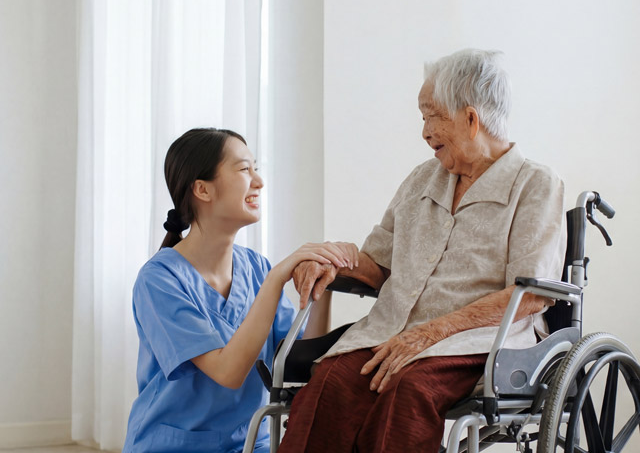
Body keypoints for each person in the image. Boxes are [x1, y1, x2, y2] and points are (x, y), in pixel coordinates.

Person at [278, 49, 566, 453]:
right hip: (392, 332)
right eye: (423, 117)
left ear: (470, 118)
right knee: (329, 382)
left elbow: (532, 294)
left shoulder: (535, 184)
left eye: (432, 116)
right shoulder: (421, 180)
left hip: (478, 341)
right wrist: (332, 258)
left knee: (408, 391)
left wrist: (431, 332)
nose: (425, 131)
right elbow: (377, 265)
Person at [123, 128, 356, 453]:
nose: (259, 181)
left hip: (251, 444)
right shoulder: (159, 280)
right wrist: (277, 279)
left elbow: (300, 362)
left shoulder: (255, 268)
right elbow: (227, 371)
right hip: (176, 446)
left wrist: (322, 287)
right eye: (245, 169)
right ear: (202, 189)